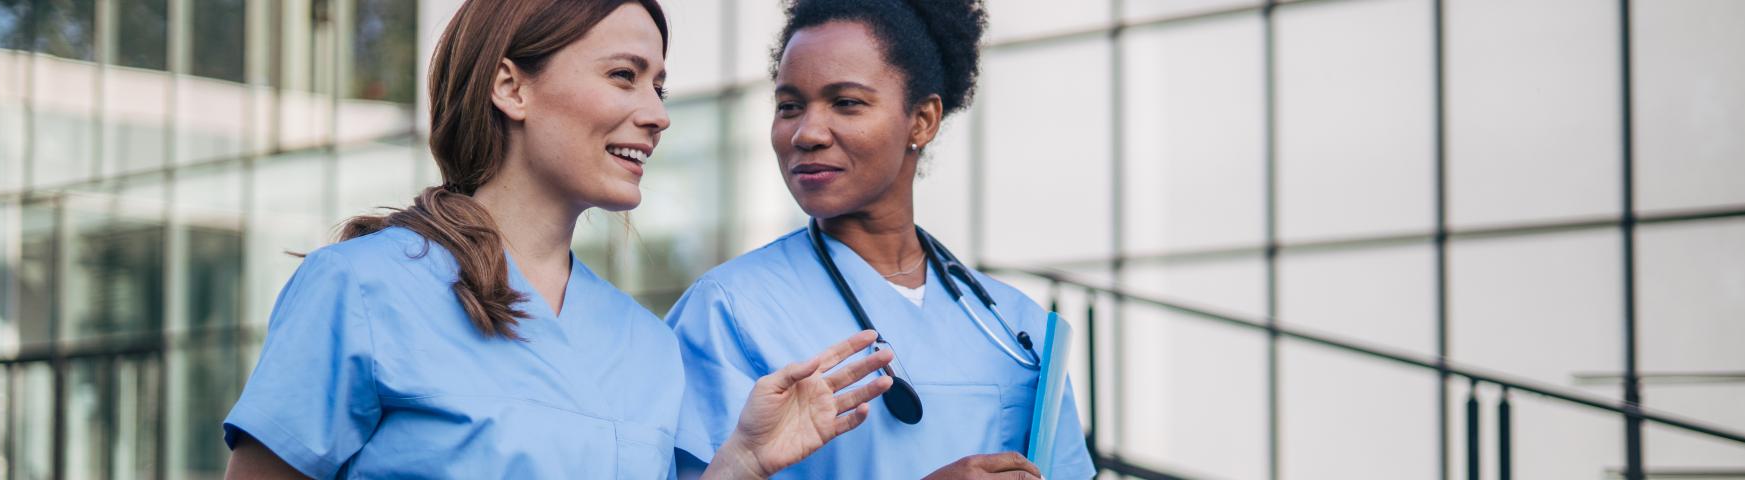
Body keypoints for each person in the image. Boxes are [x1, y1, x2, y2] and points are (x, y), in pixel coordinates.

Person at [220, 1, 892, 478]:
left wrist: (740, 463)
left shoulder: (647, 345)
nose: (657, 115)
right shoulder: (360, 287)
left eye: (659, 86)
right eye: (623, 76)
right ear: (510, 86)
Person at [665, 0, 1095, 478]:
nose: (806, 133)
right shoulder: (728, 310)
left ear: (923, 120)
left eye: (846, 102)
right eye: (789, 106)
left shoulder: (1017, 329)